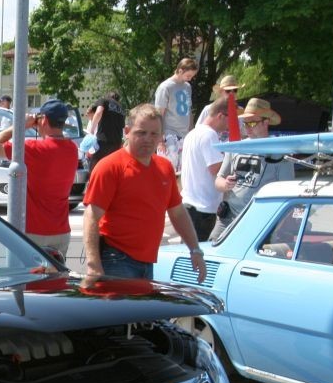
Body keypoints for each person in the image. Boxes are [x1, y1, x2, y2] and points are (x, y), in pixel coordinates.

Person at [82, 104, 206, 282]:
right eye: (141, 133)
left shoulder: (165, 168)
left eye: (154, 134)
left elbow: (178, 212)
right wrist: (93, 264)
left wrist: (195, 250)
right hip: (116, 260)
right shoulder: (110, 167)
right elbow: (91, 216)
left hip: (148, 263)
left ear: (161, 136)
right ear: (127, 131)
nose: (148, 139)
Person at [0, 99, 78, 255]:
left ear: (44, 119)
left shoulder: (32, 148)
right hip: (61, 231)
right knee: (56, 272)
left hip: (33, 231)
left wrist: (20, 126)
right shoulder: (72, 150)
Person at [211, 98, 292, 239]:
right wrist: (226, 184)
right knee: (212, 248)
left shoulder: (279, 152)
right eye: (245, 123)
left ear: (266, 122)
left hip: (258, 220)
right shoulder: (235, 146)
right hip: (228, 217)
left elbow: (287, 192)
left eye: (252, 123)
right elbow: (218, 181)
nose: (247, 127)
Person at [180, 98, 236, 240]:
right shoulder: (209, 135)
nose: (230, 125)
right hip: (203, 208)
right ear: (220, 116)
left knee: (188, 249)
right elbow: (215, 169)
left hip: (189, 204)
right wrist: (233, 161)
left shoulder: (192, 134)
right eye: (230, 120)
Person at [153, 57, 198, 173]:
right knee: (167, 172)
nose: (190, 79)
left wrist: (192, 132)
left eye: (192, 76)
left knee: (184, 172)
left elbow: (189, 110)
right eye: (188, 76)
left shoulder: (187, 87)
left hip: (185, 136)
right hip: (169, 135)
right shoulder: (165, 87)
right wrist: (160, 140)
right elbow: (159, 114)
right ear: (180, 71)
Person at [86, 91, 125, 170]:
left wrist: (92, 129)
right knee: (111, 167)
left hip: (103, 140)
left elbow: (99, 112)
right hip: (116, 143)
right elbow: (122, 126)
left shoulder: (104, 100)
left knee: (95, 166)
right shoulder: (121, 108)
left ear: (107, 96)